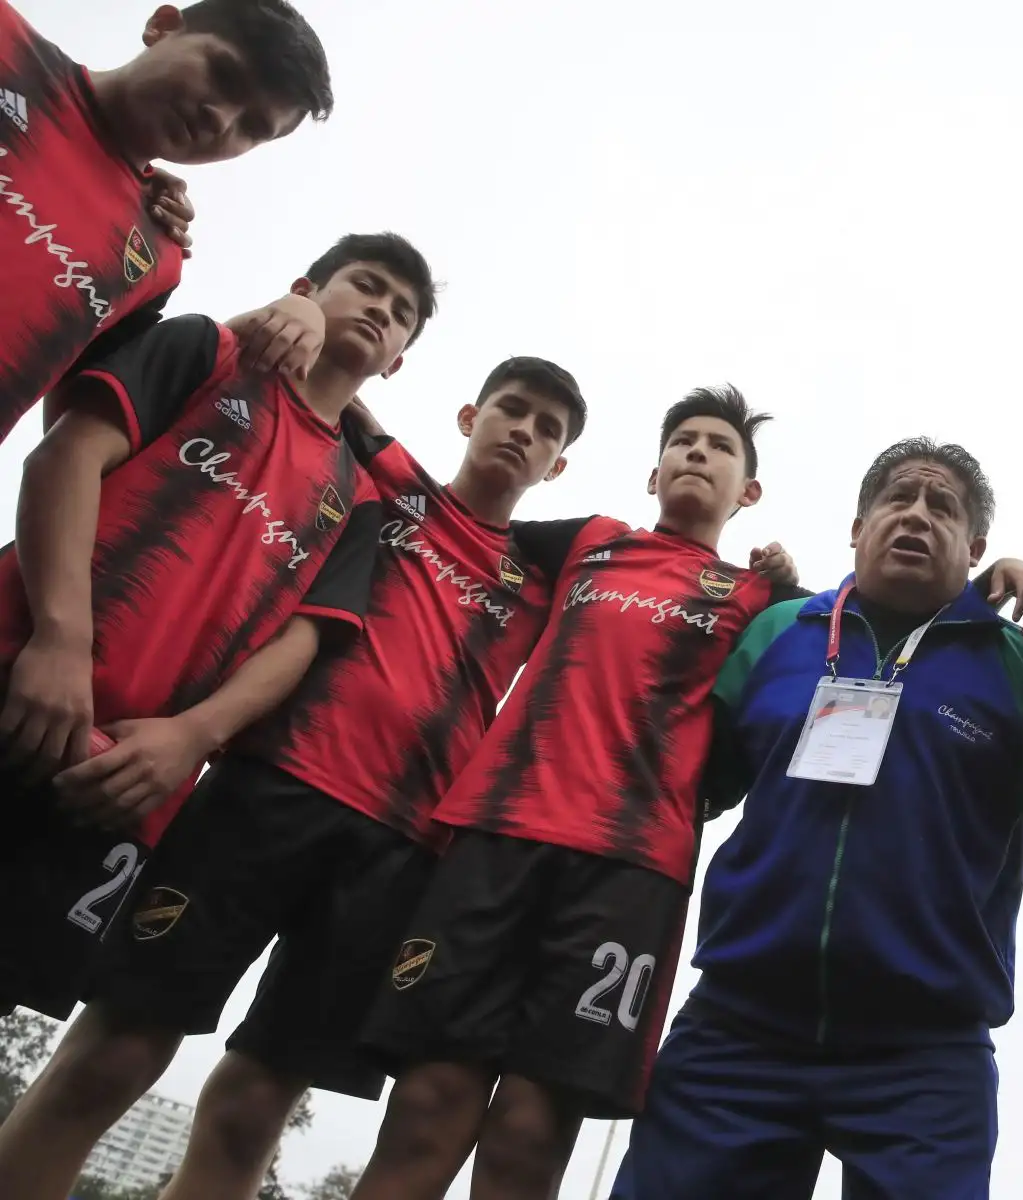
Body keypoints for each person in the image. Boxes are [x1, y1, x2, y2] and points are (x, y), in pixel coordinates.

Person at [10, 357, 590, 1200]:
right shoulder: (389, 483)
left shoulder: (551, 572)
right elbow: (317, 373)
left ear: (558, 465)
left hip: (400, 851)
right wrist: (297, 311)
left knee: (255, 1105)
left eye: (548, 430)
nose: (524, 431)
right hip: (266, 791)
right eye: (512, 409)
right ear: (471, 416)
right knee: (114, 1054)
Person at [0, 232, 433, 1200]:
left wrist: (190, 741)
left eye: (402, 312)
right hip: (20, 679)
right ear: (304, 290)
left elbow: (307, 642)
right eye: (367, 285)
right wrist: (59, 640)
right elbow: (65, 453)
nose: (382, 309)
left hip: (124, 779)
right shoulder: (210, 352)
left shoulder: (362, 496)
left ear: (401, 358)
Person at [347, 386, 804, 1200]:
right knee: (429, 1101)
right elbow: (456, 518)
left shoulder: (767, 605)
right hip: (495, 839)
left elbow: (837, 658)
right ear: (654, 471)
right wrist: (345, 395)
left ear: (749, 493)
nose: (698, 453)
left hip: (630, 875)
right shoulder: (591, 542)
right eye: (684, 441)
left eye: (720, 448)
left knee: (530, 1129)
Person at [611, 437, 1023, 1200]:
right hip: (737, 1031)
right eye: (898, 499)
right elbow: (681, 796)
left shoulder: (1021, 665)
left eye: (942, 507)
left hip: (927, 1053)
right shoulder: (777, 632)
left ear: (976, 547)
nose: (916, 517)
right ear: (857, 529)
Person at [0, 0, 333, 443]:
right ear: (161, 25)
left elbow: (84, 419)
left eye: (253, 126)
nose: (222, 118)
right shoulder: (9, 48)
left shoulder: (157, 256)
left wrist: (300, 312)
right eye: (224, 75)